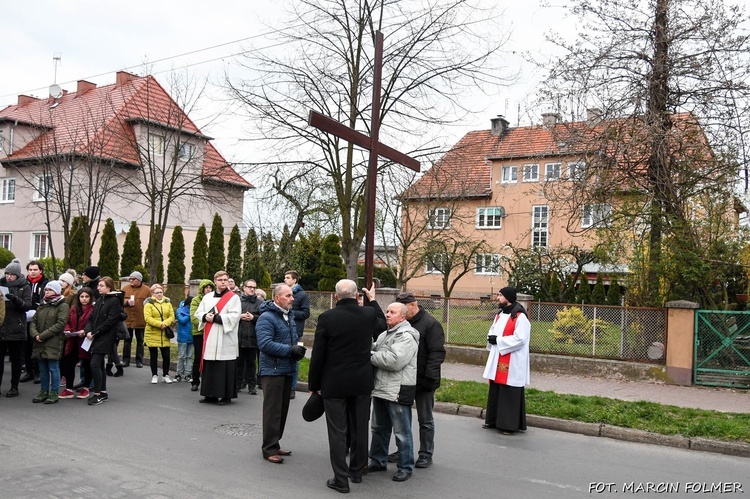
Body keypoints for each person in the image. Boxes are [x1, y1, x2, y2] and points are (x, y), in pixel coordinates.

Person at [308, 279, 380, 493]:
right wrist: (373, 300)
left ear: (336, 296)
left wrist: (314, 383)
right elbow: (382, 324)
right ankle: (356, 472)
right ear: (357, 296)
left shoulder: (327, 318)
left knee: (337, 432)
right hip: (361, 382)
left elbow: (318, 354)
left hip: (334, 382)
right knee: (359, 427)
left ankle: (341, 479)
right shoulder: (367, 315)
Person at [389, 292, 446, 469]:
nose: (402, 313)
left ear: (414, 305)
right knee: (401, 420)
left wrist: (430, 378)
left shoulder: (431, 324)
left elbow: (437, 354)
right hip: (405, 380)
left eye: (404, 309)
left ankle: (425, 454)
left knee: (425, 419)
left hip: (424, 381)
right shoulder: (402, 323)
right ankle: (403, 450)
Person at [368, 302, 419, 482]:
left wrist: (369, 355)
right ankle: (377, 460)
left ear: (403, 317)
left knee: (401, 432)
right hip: (382, 388)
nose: (387, 314)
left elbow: (394, 360)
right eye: (387, 311)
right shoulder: (385, 334)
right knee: (378, 428)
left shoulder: (406, 336)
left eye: (392, 312)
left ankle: (405, 466)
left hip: (398, 390)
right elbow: (375, 349)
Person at [256, 284, 305, 463]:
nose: (292, 299)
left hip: (286, 369)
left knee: (282, 411)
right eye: (288, 296)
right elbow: (265, 344)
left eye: (292, 296)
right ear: (277, 298)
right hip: (273, 371)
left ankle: (275, 444)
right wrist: (289, 350)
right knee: (272, 412)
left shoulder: (288, 315)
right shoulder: (267, 318)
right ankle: (268, 449)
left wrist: (296, 350)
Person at [482, 286, 530, 434]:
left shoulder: (520, 317)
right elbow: (493, 330)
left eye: (500, 295)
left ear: (508, 298)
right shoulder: (500, 314)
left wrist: (499, 341)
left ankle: (509, 425)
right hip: (498, 356)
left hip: (513, 359)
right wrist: (491, 338)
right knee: (496, 388)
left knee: (509, 390)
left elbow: (520, 339)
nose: (497, 298)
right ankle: (493, 420)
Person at [194, 271, 241, 404]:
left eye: (225, 280)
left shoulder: (233, 298)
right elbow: (199, 312)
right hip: (210, 336)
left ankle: (226, 396)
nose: (223, 282)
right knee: (210, 365)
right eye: (220, 280)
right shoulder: (207, 297)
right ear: (215, 281)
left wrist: (217, 318)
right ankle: (210, 395)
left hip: (225, 336)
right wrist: (205, 317)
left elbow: (235, 316)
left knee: (224, 366)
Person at [30, 281, 70, 404]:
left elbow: (60, 324)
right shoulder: (42, 304)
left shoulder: (63, 305)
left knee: (53, 368)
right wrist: (35, 334)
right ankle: (43, 391)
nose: (47, 292)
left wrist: (42, 335)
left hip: (53, 340)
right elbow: (33, 321)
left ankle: (54, 392)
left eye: (50, 290)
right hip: (39, 341)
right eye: (46, 290)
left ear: (57, 291)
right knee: (42, 368)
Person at [84, 277, 122, 406]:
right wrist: (88, 331)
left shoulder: (115, 301)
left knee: (94, 364)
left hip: (105, 337)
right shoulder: (100, 300)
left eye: (101, 286)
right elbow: (91, 318)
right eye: (99, 285)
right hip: (95, 336)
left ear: (109, 287)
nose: (98, 288)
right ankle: (103, 392)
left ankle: (98, 393)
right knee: (99, 365)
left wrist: (95, 333)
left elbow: (110, 321)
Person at [0, 259, 32, 397]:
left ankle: (14, 387)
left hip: (17, 327)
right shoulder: (1, 284)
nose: (9, 276)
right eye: (7, 274)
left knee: (16, 359)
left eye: (11, 274)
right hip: (2, 327)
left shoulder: (24, 286)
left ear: (17, 275)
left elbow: (27, 306)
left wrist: (15, 299)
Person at [59, 287, 94, 399]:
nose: (84, 299)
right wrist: (68, 330)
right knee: (69, 363)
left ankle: (86, 387)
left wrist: (85, 331)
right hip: (73, 339)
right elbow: (68, 321)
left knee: (87, 364)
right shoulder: (74, 308)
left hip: (85, 340)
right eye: (82, 297)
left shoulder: (93, 309)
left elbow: (93, 323)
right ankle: (69, 388)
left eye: (87, 297)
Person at [20, 260, 48, 384]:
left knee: (36, 344)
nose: (32, 272)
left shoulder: (45, 283)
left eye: (35, 269)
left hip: (39, 318)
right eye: (30, 270)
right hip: (24, 317)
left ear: (40, 271)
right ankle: (29, 371)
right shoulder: (23, 283)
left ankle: (38, 372)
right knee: (26, 346)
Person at [284, 270, 309, 399]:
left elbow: (306, 313)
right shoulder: (281, 292)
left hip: (295, 331)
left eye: (288, 278)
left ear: (294, 280)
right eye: (285, 278)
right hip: (281, 330)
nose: (285, 280)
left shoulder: (302, 295)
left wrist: (290, 312)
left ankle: (292, 388)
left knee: (293, 359)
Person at [144, 284, 176, 384]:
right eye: (157, 293)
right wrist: (159, 324)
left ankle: (166, 375)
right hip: (152, 333)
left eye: (161, 292)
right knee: (154, 355)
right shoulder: (148, 304)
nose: (159, 294)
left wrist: (165, 324)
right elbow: (147, 318)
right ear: (152, 294)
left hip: (164, 333)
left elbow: (172, 316)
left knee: (166, 355)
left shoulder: (168, 303)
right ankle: (154, 375)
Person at [121, 271, 151, 368]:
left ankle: (139, 360)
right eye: (130, 279)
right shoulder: (125, 288)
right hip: (128, 318)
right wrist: (127, 302)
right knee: (127, 340)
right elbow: (120, 300)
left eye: (133, 279)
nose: (131, 281)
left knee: (140, 340)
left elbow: (150, 303)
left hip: (140, 319)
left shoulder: (147, 290)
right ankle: (126, 360)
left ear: (139, 280)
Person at [189, 279, 214, 392]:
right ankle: (195, 381)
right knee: (198, 357)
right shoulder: (196, 300)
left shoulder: (214, 300)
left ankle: (207, 381)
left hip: (212, 332)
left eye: (210, 288)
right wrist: (205, 323)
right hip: (199, 332)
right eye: (206, 288)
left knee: (209, 358)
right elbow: (194, 317)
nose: (208, 290)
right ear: (202, 289)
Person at [238, 279, 262, 394]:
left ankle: (252, 386)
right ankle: (238, 384)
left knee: (252, 363)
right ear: (244, 288)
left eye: (254, 287)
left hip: (253, 337)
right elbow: (231, 316)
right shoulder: (238, 301)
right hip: (239, 337)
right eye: (250, 287)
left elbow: (264, 319)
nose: (252, 289)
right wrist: (239, 316)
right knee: (239, 363)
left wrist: (254, 318)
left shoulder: (260, 303)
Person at [175, 295, 194, 383]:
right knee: (181, 356)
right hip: (183, 337)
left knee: (189, 356)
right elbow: (182, 320)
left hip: (192, 336)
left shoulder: (195, 310)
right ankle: (178, 374)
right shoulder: (180, 310)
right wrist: (190, 314)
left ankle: (187, 374)